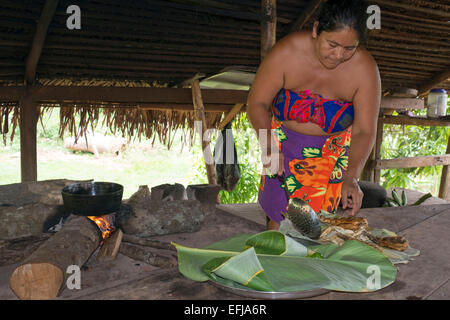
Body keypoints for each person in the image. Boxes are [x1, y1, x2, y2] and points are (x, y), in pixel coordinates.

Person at [247, 0, 381, 231]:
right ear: (316, 29)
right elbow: (257, 103)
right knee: (277, 226)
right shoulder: (287, 52)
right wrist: (268, 145)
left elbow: (364, 130)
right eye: (332, 44)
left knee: (320, 229)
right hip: (281, 152)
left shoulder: (365, 70)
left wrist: (351, 176)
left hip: (332, 160)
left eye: (349, 48)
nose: (338, 54)